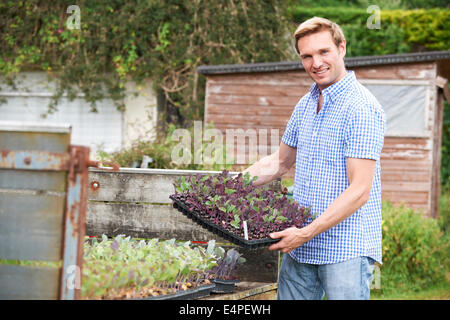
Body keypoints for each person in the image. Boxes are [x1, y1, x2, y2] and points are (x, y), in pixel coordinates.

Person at [242, 17, 386, 300]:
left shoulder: (362, 108)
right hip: (301, 246)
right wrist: (232, 184)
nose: (316, 63)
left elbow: (360, 191)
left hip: (344, 248)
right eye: (306, 56)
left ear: (341, 48)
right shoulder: (307, 102)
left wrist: (306, 232)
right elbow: (280, 162)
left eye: (323, 52)